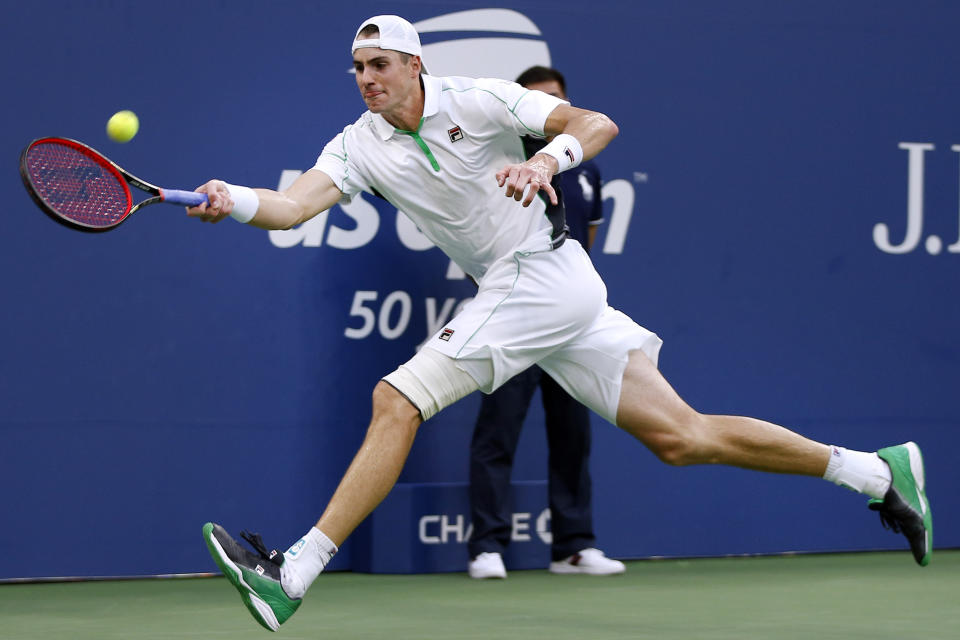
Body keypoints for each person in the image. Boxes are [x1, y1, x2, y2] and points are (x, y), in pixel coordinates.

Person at [194, 15, 932, 633]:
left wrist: (547, 159)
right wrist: (235, 199)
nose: (366, 78)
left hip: (541, 277)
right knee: (682, 437)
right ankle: (874, 471)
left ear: (415, 64)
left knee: (398, 399)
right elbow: (292, 209)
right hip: (547, 289)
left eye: (379, 63)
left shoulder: (478, 100)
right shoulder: (358, 143)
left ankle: (292, 573)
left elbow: (596, 122)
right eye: (356, 67)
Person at [467, 66, 621, 580]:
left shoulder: (587, 168)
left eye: (555, 99)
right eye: (536, 100)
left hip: (569, 319)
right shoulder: (499, 160)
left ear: (566, 102)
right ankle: (487, 546)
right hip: (513, 317)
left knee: (573, 433)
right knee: (498, 433)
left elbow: (588, 241)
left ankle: (573, 546)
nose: (547, 108)